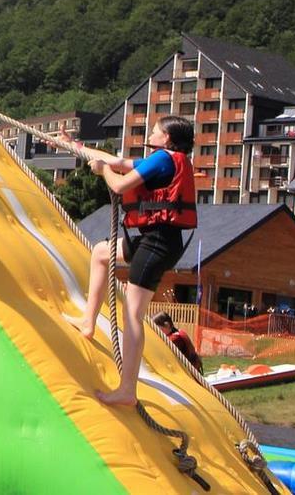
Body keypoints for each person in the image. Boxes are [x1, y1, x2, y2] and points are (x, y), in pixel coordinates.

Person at [63, 115, 198, 406]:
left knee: (133, 314)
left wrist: (102, 172)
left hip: (158, 243)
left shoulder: (163, 159)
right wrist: (75, 146)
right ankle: (88, 321)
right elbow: (118, 160)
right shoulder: (168, 160)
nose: (151, 132)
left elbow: (121, 184)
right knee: (101, 253)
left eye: (155, 130)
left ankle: (127, 390)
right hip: (157, 238)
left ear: (167, 139)